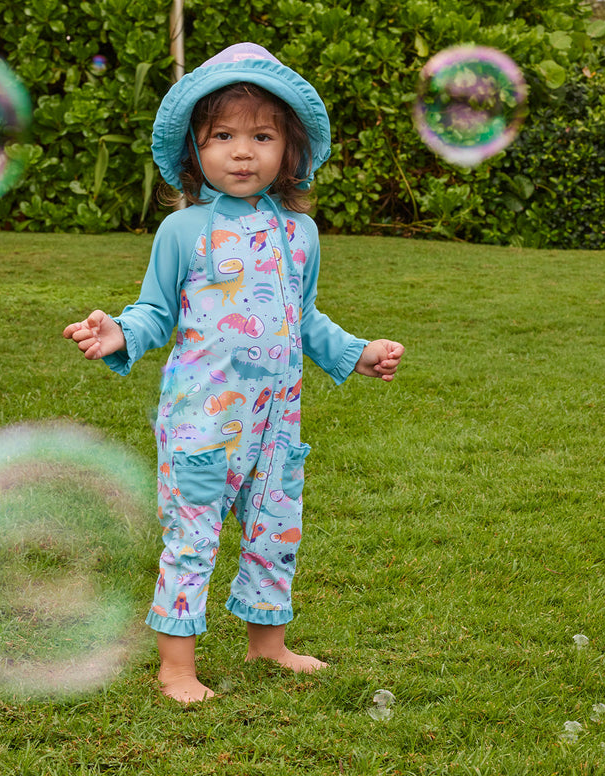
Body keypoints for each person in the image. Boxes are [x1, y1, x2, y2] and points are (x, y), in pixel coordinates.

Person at [64, 42, 404, 703]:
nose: (241, 152)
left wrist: (357, 351)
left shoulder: (300, 235)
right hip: (203, 422)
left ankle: (267, 645)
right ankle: (176, 668)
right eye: (223, 135)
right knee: (193, 537)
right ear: (196, 150)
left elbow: (303, 318)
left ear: (290, 152)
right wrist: (119, 335)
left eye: (261, 136)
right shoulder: (183, 231)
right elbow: (154, 312)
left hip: (277, 422)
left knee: (276, 529)